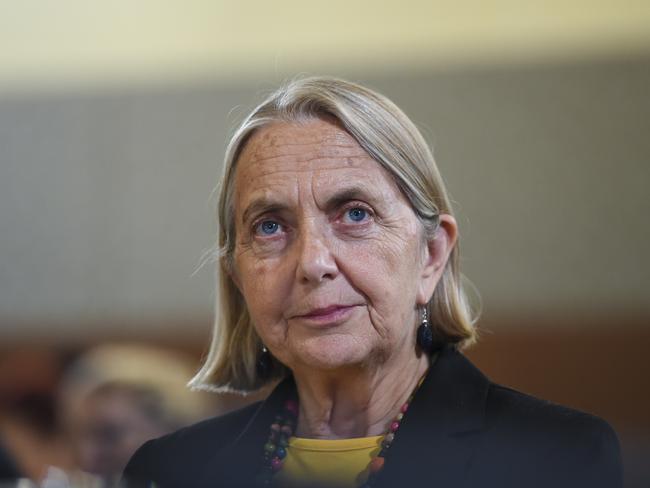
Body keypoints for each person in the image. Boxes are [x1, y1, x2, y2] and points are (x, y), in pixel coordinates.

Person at [123, 77, 623, 488]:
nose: (313, 263)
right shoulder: (169, 472)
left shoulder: (555, 457)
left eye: (355, 214)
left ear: (431, 254)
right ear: (237, 277)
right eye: (270, 226)